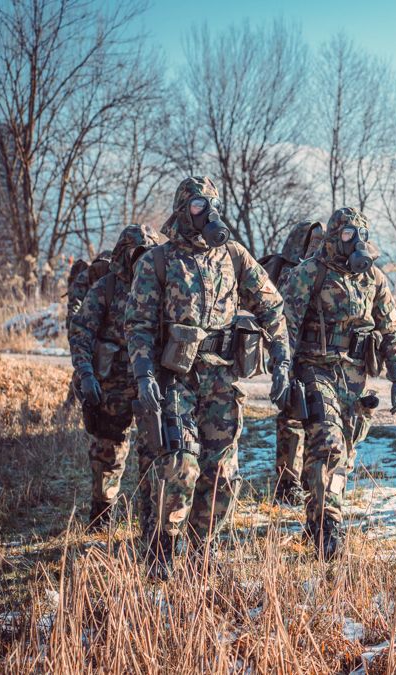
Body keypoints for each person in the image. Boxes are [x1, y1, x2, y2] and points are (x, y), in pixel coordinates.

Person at [126, 176, 290, 578]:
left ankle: (202, 551)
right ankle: (162, 549)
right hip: (174, 377)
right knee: (181, 464)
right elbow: (139, 325)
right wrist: (144, 374)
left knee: (222, 475)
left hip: (221, 379)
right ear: (183, 210)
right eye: (199, 205)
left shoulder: (233, 255)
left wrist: (281, 358)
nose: (208, 212)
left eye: (212, 204)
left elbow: (272, 307)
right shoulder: (158, 261)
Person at [280, 206, 396, 560]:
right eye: (349, 235)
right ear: (334, 237)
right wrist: (283, 372)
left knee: (345, 453)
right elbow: (286, 327)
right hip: (315, 369)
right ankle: (326, 525)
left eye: (360, 235)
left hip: (354, 375)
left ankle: (318, 511)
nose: (355, 243)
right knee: (328, 443)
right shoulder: (309, 273)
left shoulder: (373, 279)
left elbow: (390, 327)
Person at [69, 224, 161, 532]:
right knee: (108, 450)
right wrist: (85, 374)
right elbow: (81, 332)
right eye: (138, 255)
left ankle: (151, 519)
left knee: (155, 451)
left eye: (150, 255)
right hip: (113, 383)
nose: (143, 261)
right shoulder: (106, 288)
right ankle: (101, 515)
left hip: (150, 381)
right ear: (124, 255)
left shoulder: (161, 287)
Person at [263, 220, 325, 504]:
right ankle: (287, 483)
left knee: (316, 418)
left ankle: (306, 479)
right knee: (291, 418)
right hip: (293, 351)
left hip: (315, 352)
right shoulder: (290, 272)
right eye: (312, 241)